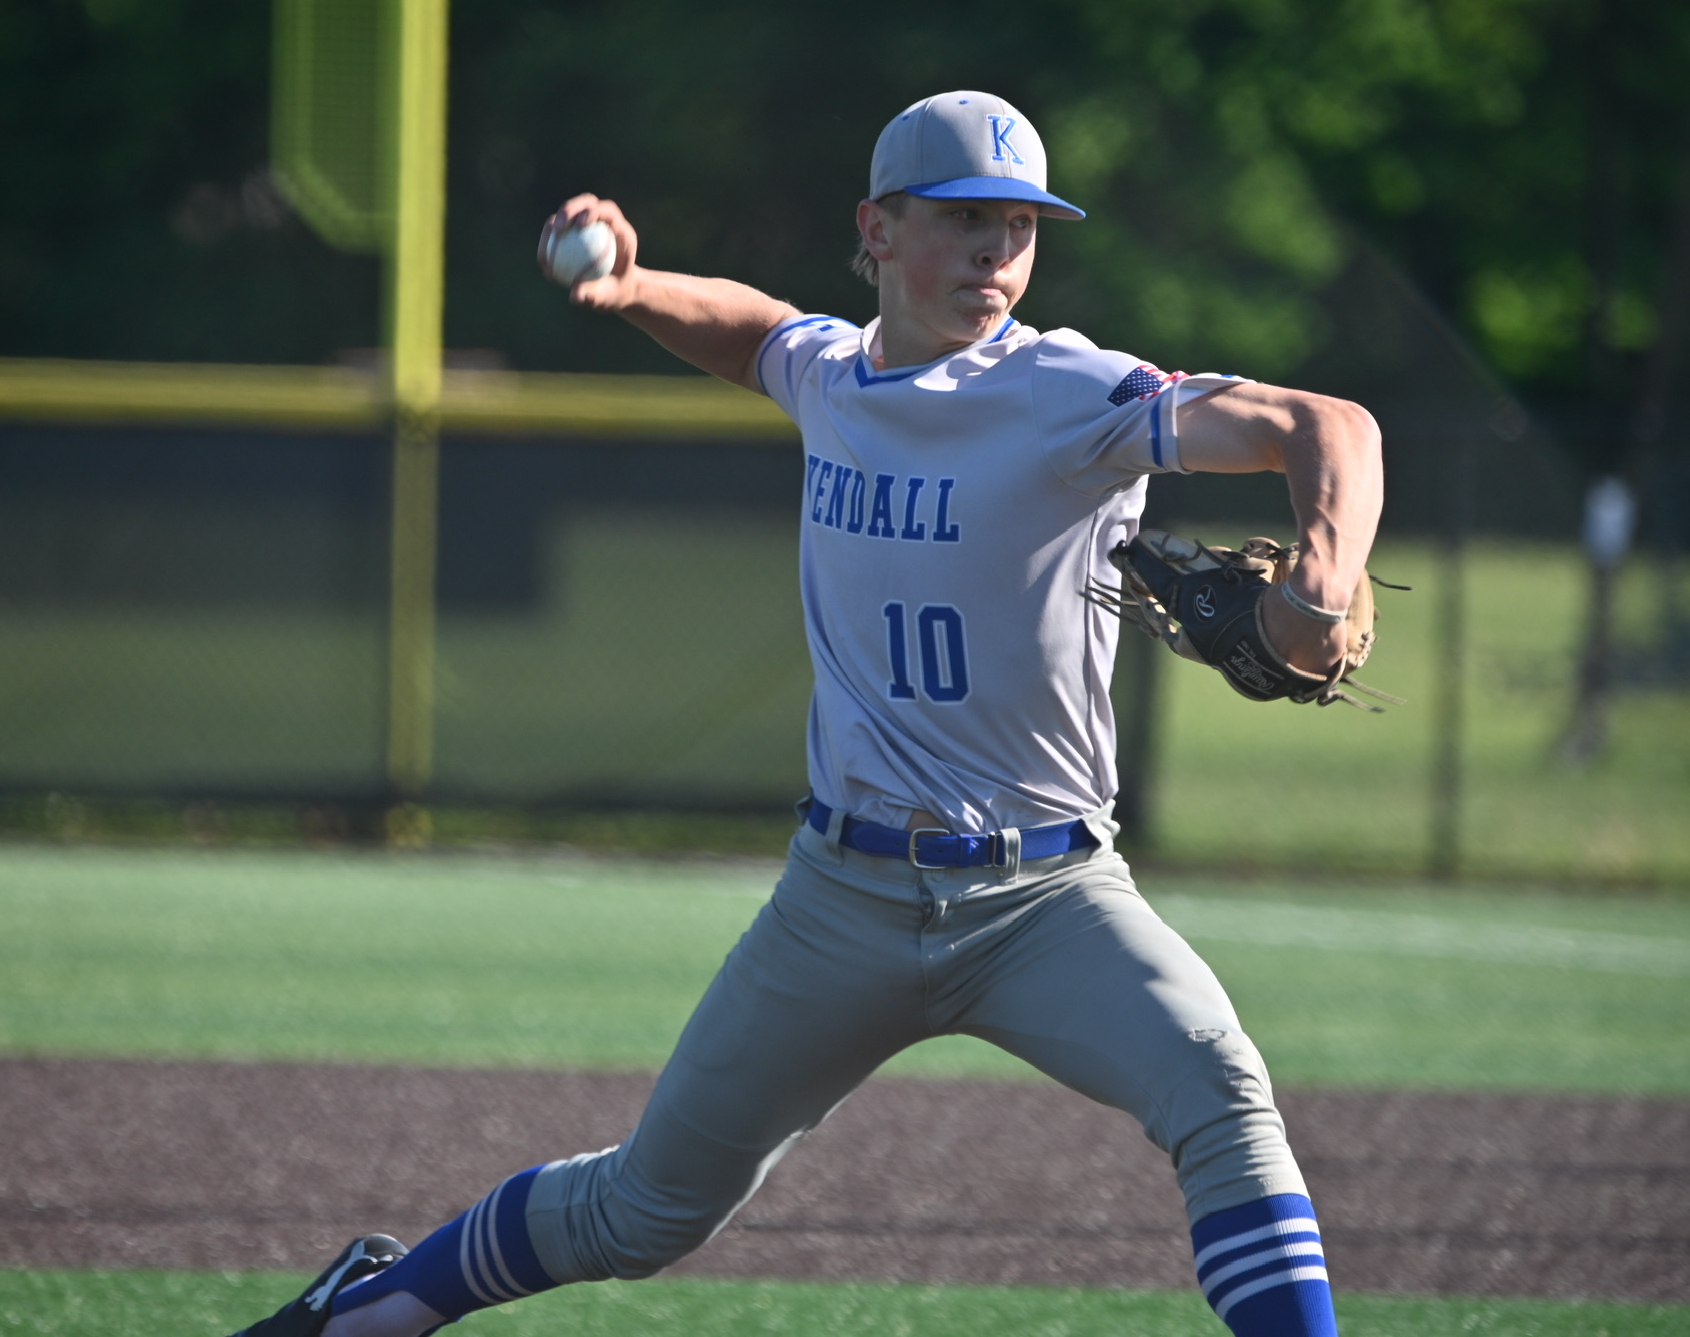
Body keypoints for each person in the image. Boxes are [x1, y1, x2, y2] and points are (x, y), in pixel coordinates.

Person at [228, 91, 1383, 1337]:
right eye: (962, 221)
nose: (995, 252)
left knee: (1223, 1099)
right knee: (643, 1212)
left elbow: (1323, 425)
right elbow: (760, 334)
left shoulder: (1066, 389)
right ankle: (363, 1315)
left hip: (1046, 900)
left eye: (1018, 226)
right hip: (843, 901)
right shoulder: (836, 376)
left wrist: (1324, 575)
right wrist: (634, 287)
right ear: (876, 230)